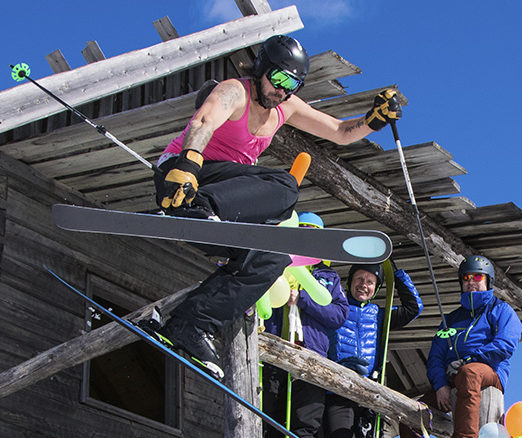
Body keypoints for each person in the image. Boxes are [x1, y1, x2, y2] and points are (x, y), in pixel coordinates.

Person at [145, 34, 403, 379]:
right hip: (183, 177)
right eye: (279, 79)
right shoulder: (236, 90)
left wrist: (374, 119)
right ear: (263, 69)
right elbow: (203, 121)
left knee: (272, 257)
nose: (282, 91)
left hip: (223, 197)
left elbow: (340, 131)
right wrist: (188, 165)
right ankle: (196, 211)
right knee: (284, 186)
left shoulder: (286, 108)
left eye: (292, 85)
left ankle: (192, 323)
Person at [383, 255, 521, 438]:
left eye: (477, 278)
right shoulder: (452, 320)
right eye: (466, 278)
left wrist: (470, 359)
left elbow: (505, 345)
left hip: (488, 374)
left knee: (470, 373)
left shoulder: (500, 310)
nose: (471, 283)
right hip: (452, 382)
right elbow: (435, 356)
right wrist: (440, 385)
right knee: (411, 411)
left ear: (488, 281)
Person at [260, 214, 347, 438]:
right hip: (274, 351)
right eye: (303, 230)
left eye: (313, 233)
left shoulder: (328, 277)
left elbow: (338, 315)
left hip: (310, 359)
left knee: (305, 423)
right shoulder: (277, 265)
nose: (307, 237)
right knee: (270, 417)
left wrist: (304, 300)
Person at [324, 262, 422, 438]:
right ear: (350, 282)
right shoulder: (337, 307)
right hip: (338, 386)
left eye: (370, 282)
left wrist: (397, 274)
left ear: (376, 288)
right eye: (359, 279)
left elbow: (413, 308)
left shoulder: (379, 315)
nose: (363, 285)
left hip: (368, 390)